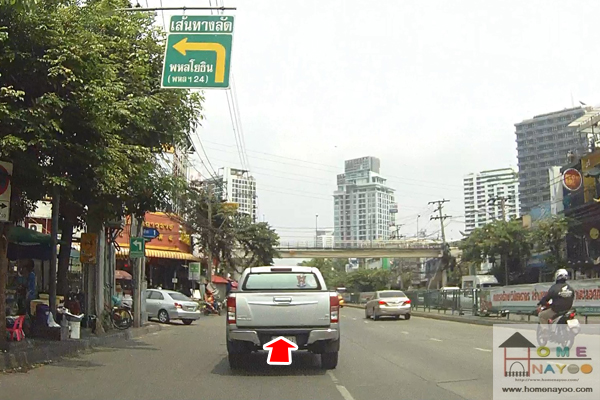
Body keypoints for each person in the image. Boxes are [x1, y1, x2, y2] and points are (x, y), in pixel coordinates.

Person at [537, 269, 575, 334]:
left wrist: (541, 302)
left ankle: (545, 333)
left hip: (556, 310)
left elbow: (547, 298)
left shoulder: (554, 288)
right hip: (568, 309)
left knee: (542, 315)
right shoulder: (570, 288)